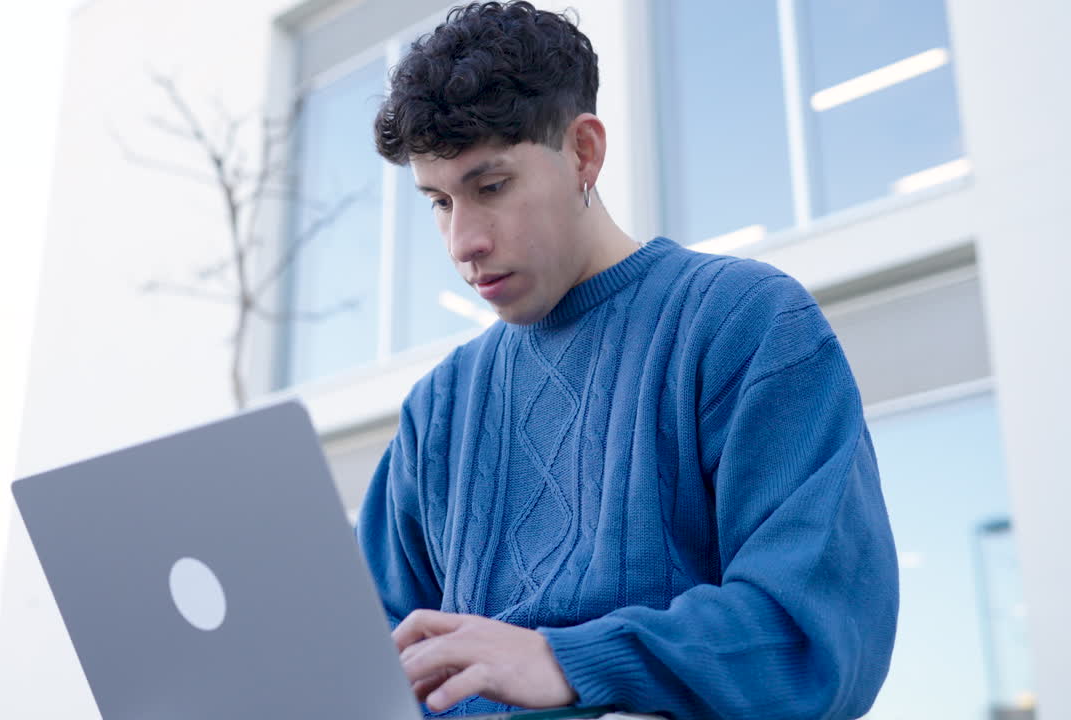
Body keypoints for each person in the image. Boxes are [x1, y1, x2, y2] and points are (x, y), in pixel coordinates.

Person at [355, 2, 899, 718]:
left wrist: (563, 659)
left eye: (491, 188)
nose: (463, 242)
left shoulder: (745, 323)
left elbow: (814, 632)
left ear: (583, 152)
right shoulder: (439, 407)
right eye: (438, 201)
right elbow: (369, 667)